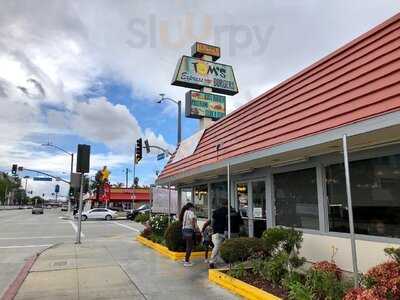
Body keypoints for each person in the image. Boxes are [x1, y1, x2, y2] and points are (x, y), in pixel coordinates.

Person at [209, 200, 228, 269]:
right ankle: (212, 261)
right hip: (226, 231)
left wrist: (211, 229)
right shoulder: (228, 211)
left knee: (217, 246)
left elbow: (212, 221)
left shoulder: (216, 212)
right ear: (227, 204)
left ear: (221, 204)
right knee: (218, 246)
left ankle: (214, 261)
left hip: (216, 231)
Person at [179, 203, 198, 267]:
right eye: (193, 207)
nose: (194, 209)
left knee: (188, 245)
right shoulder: (190, 212)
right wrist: (194, 228)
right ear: (191, 207)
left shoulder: (185, 212)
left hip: (184, 230)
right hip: (189, 230)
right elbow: (192, 219)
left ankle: (186, 258)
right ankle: (187, 261)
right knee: (189, 246)